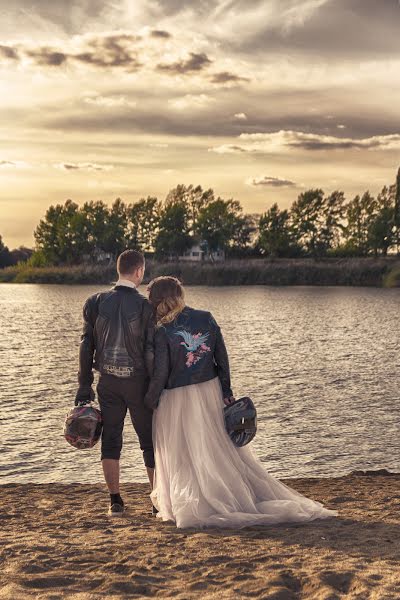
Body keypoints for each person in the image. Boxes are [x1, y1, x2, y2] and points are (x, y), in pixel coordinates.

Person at [144, 276, 337, 529]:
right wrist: (226, 390)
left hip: (178, 398)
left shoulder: (162, 330)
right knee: (218, 448)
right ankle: (228, 491)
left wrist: (150, 399)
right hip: (209, 390)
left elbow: (161, 372)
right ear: (180, 295)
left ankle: (194, 499)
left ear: (156, 300)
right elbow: (222, 357)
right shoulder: (207, 317)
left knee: (183, 452)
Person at [75, 249, 155, 516]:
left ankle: (116, 501)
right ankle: (156, 503)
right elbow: (151, 350)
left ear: (118, 270)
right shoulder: (146, 306)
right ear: (139, 272)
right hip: (138, 383)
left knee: (111, 440)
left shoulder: (95, 301)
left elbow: (86, 347)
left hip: (107, 381)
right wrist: (158, 386)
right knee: (150, 442)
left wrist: (83, 386)